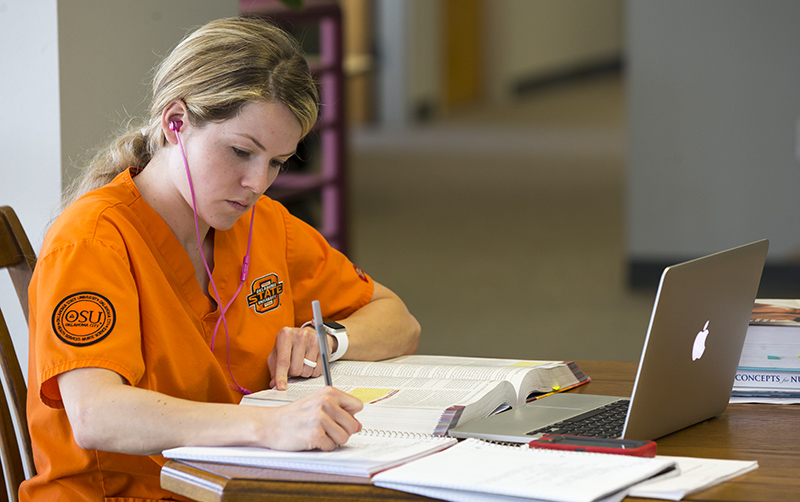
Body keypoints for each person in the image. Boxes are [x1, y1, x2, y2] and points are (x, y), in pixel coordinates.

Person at [21, 17, 420, 501]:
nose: (258, 183)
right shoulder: (92, 241)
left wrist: (328, 340)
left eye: (276, 162)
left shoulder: (262, 225)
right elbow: (95, 415)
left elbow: (399, 321)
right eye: (240, 152)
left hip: (234, 484)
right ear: (175, 123)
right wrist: (268, 426)